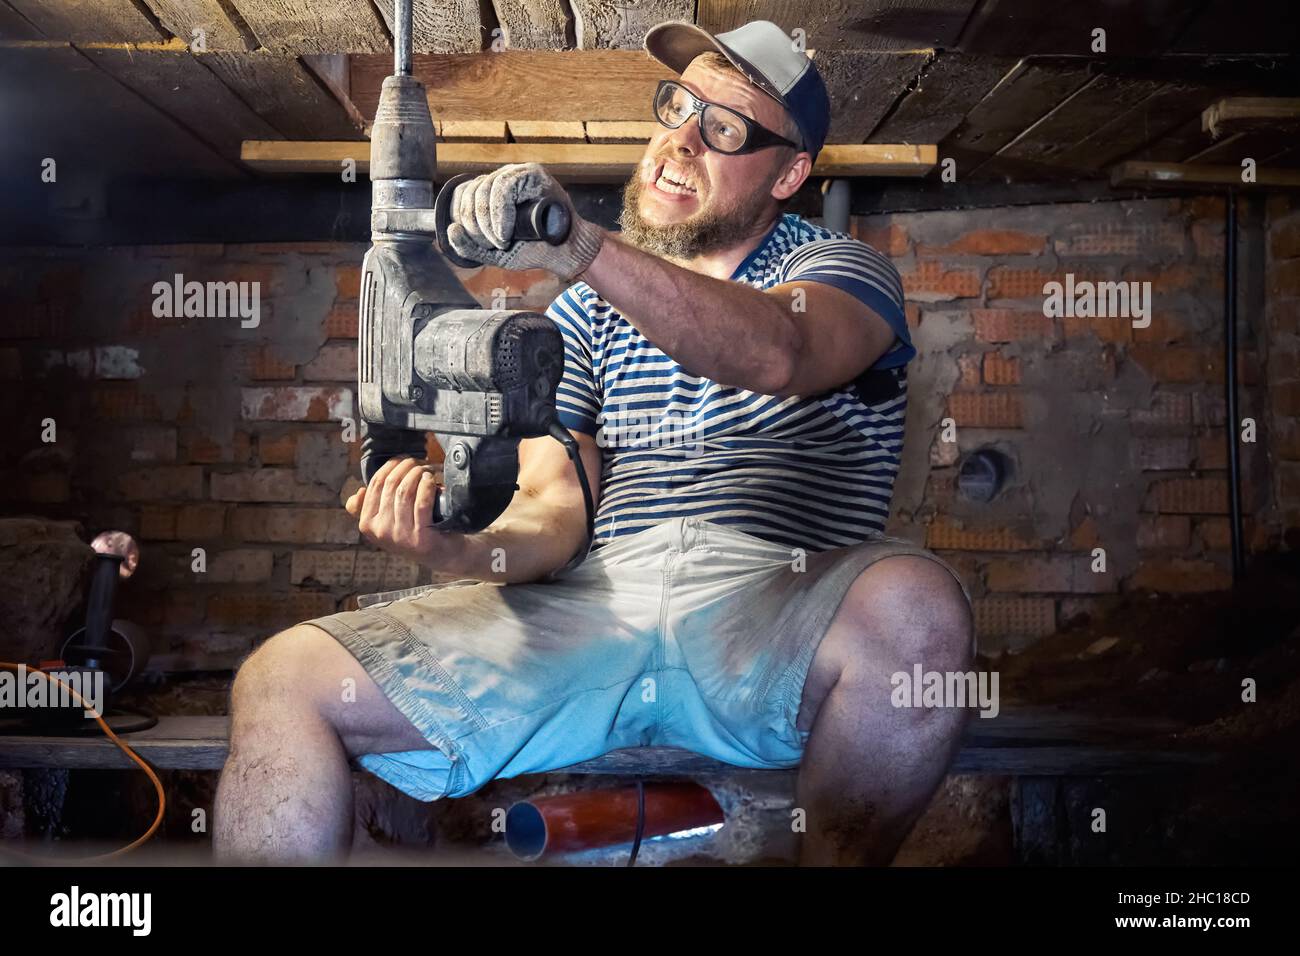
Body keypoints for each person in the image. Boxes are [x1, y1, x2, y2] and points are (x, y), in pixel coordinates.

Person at [214, 19, 973, 866]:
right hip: (598, 607)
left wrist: (574, 242)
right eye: (677, 108)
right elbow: (551, 515)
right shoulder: (583, 312)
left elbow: (775, 352)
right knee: (285, 679)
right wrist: (455, 546)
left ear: (790, 173)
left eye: (725, 128)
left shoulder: (840, 271)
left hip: (772, 607)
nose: (680, 141)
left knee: (915, 601)